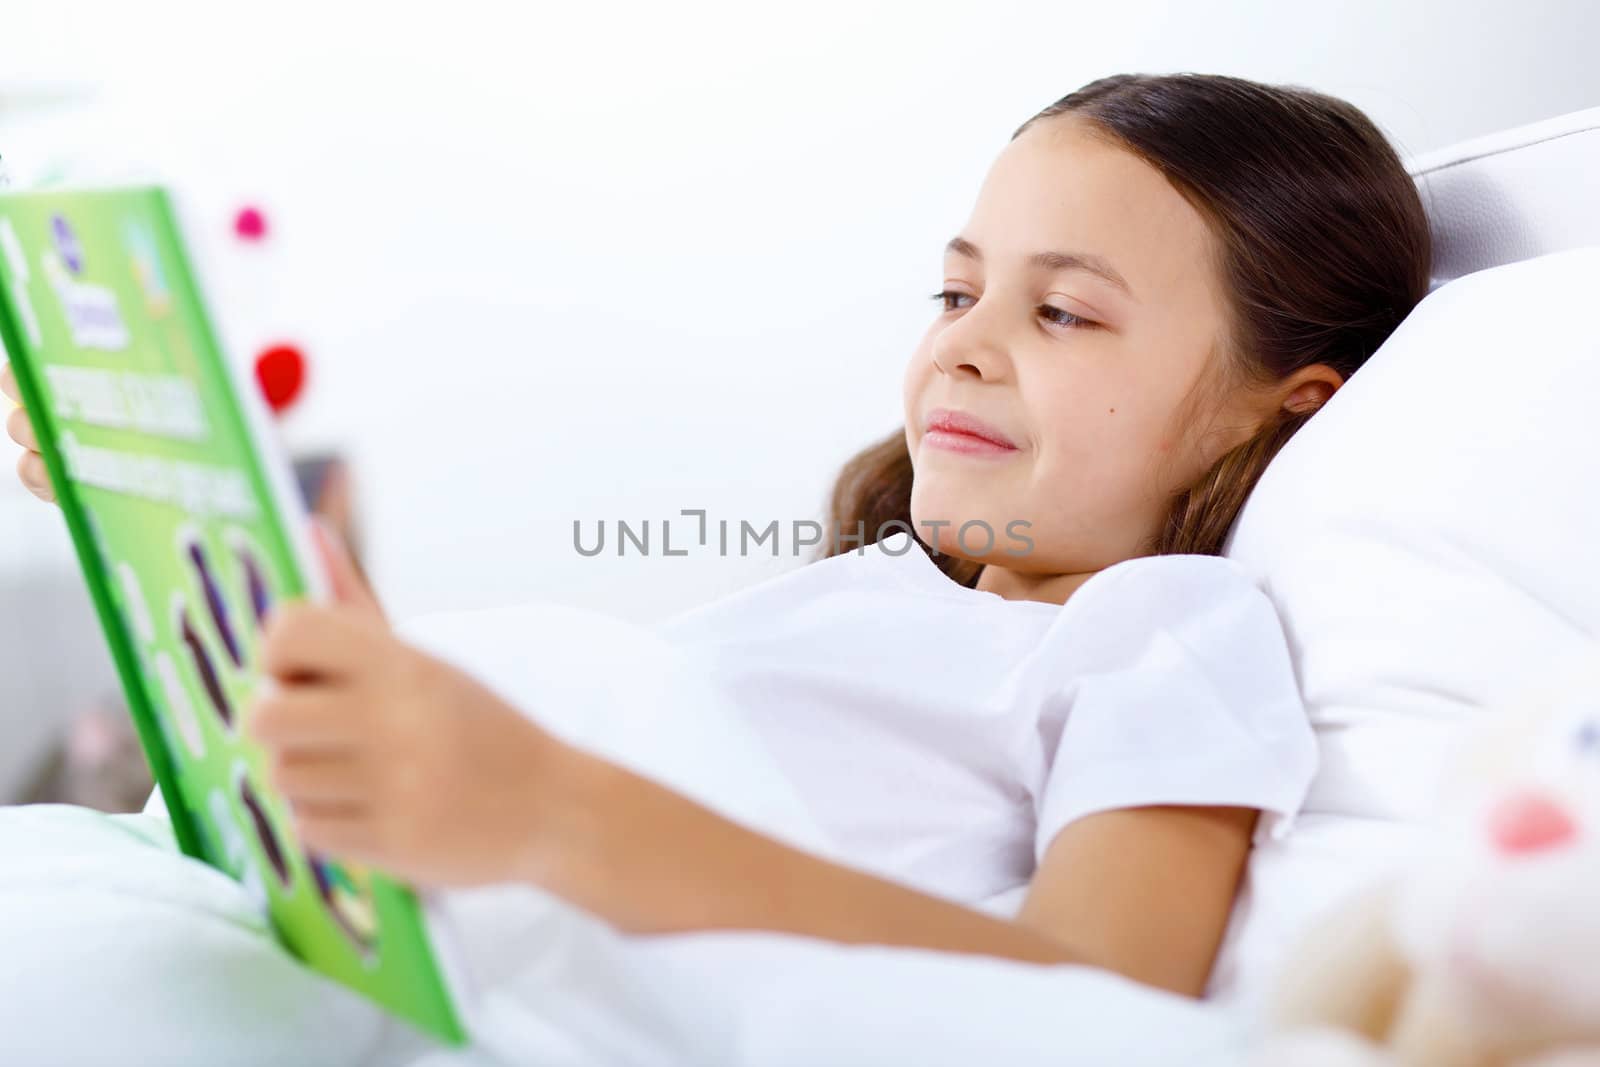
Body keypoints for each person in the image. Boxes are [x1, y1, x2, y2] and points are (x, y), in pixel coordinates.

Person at [1, 71, 1431, 1004]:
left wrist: (549, 811)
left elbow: (1090, 1007)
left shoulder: (1164, 628)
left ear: (1275, 412)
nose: (964, 352)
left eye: (1062, 312)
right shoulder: (889, 603)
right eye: (955, 295)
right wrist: (203, 534)